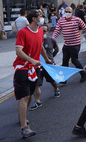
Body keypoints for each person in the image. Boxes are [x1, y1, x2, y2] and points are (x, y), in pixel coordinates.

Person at [12, 10, 51, 138]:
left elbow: (40, 46)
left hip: (35, 68)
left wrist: (46, 59)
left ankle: (22, 117)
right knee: (24, 96)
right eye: (40, 17)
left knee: (29, 96)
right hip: (22, 68)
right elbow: (19, 51)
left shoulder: (40, 31)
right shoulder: (22, 32)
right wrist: (32, 60)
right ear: (34, 19)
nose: (42, 19)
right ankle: (24, 128)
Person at [52, 7, 86, 83]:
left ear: (72, 13)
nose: (67, 13)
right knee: (65, 61)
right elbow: (57, 30)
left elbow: (85, 28)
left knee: (74, 60)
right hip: (67, 44)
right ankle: (64, 78)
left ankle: (83, 73)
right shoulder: (61, 20)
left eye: (69, 12)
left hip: (75, 44)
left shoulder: (77, 20)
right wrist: (53, 39)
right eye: (66, 11)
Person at [30, 24, 60, 111]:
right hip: (38, 65)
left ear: (48, 31)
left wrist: (51, 58)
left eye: (44, 31)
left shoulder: (52, 40)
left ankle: (56, 89)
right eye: (41, 30)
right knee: (37, 84)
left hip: (49, 65)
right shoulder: (35, 40)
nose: (42, 32)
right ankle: (38, 101)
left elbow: (57, 49)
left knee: (52, 81)